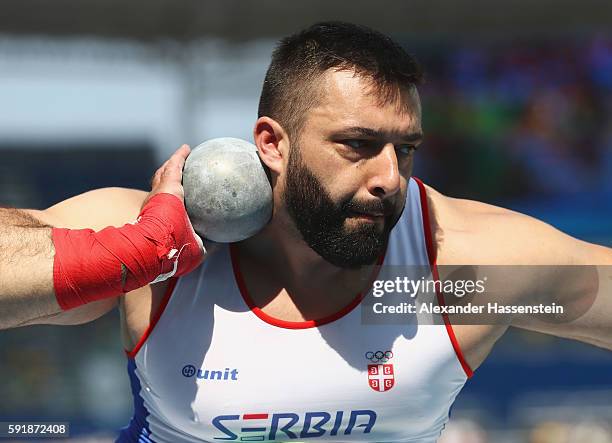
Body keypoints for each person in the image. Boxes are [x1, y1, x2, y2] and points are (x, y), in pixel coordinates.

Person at [1, 21, 611, 443]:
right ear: (272, 143)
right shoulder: (158, 248)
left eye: (406, 149)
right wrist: (133, 252)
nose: (388, 177)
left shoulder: (459, 272)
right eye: (358, 145)